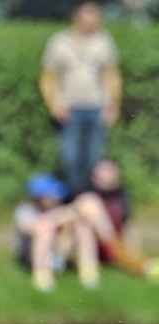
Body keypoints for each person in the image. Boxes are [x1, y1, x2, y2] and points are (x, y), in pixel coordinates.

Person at [40, 3, 121, 196]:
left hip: (97, 107)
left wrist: (113, 104)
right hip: (70, 108)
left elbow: (111, 75)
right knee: (70, 159)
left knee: (94, 160)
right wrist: (55, 105)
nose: (93, 19)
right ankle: (76, 200)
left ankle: (92, 202)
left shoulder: (103, 41)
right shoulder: (59, 42)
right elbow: (49, 77)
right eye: (89, 14)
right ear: (76, 16)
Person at [14, 172, 105, 291]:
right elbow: (37, 226)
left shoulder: (57, 207)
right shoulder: (25, 211)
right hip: (30, 257)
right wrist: (67, 214)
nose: (56, 197)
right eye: (51, 194)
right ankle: (42, 276)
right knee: (46, 231)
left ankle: (89, 271)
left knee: (83, 225)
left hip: (59, 252)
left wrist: (73, 213)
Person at [85, 158, 150, 278]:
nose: (107, 174)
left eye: (111, 170)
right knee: (89, 205)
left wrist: (134, 252)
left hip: (112, 247)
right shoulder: (86, 192)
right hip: (87, 245)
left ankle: (134, 261)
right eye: (104, 170)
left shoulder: (121, 195)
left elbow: (128, 225)